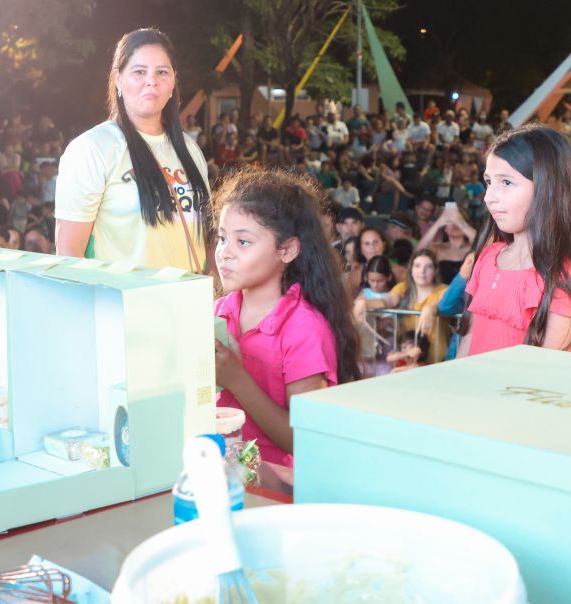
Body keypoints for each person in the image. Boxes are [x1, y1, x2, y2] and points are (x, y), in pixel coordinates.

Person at [211, 167, 359, 475]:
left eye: (244, 242)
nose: (224, 253)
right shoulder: (217, 312)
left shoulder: (304, 328)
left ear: (287, 249)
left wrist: (237, 379)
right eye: (222, 238)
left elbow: (305, 441)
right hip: (219, 472)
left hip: (274, 486)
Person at [55, 29, 211, 271]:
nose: (152, 81)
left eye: (162, 72)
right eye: (139, 72)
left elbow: (207, 239)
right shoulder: (92, 149)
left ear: (173, 82)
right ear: (118, 79)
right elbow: (69, 253)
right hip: (124, 305)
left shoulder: (189, 149)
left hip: (188, 302)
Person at [460, 124, 571, 356]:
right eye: (489, 182)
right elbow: (468, 340)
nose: (490, 197)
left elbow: (546, 370)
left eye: (506, 183)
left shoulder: (563, 274)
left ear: (548, 187)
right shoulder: (489, 256)